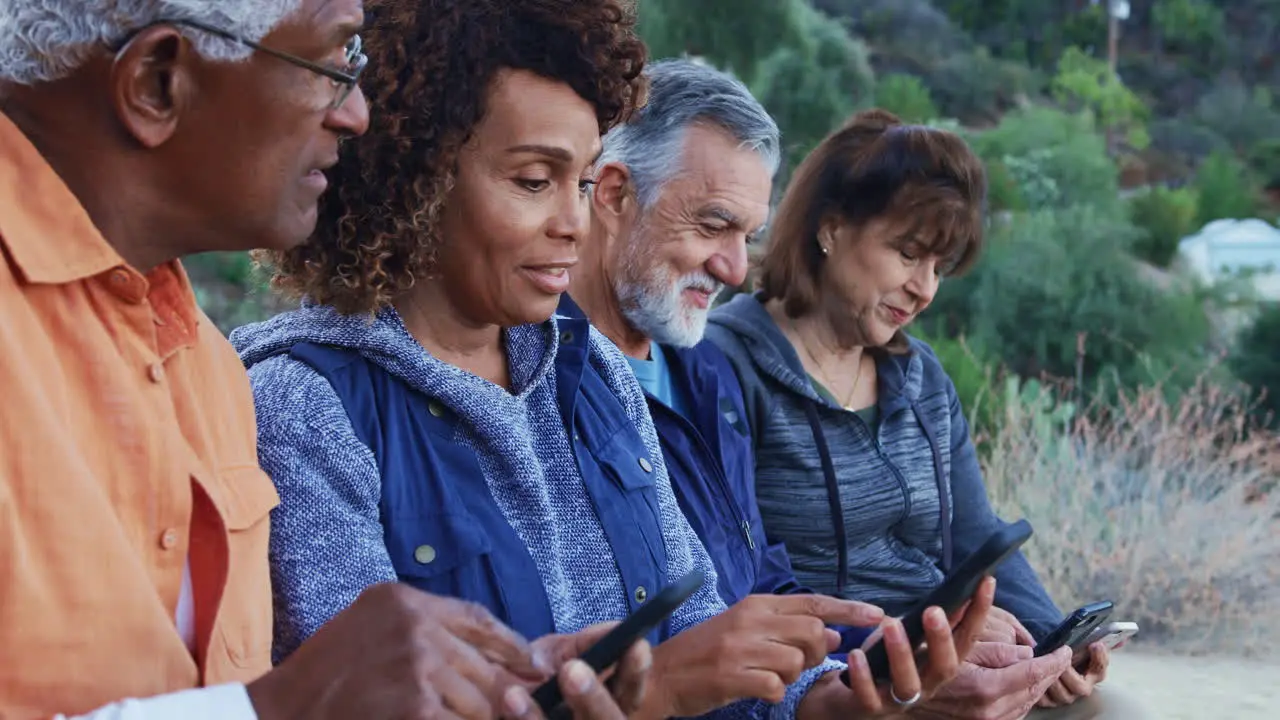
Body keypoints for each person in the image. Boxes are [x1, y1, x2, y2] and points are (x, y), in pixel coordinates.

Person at [233, 2, 975, 718]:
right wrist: (659, 693)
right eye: (534, 181)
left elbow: (704, 634)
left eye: (583, 183)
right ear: (414, 176)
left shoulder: (591, 373)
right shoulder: (304, 406)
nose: (573, 222)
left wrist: (826, 698)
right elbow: (365, 702)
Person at [0, 1, 643, 719]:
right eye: (334, 67)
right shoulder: (293, 392)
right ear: (158, 82)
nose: (359, 116)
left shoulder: (205, 369)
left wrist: (500, 691)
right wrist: (287, 706)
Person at [705, 110, 1148, 719]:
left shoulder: (920, 376)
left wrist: (1052, 641)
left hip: (949, 653)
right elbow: (745, 582)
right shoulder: (723, 368)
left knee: (1117, 711)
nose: (925, 289)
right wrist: (915, 640)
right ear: (830, 228)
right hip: (845, 677)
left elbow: (974, 535)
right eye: (908, 253)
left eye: (940, 267)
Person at [566, 57, 881, 655]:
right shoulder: (532, 380)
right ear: (614, 194)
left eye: (748, 236)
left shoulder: (709, 372)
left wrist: (889, 650)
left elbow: (755, 584)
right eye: (713, 225)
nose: (735, 269)